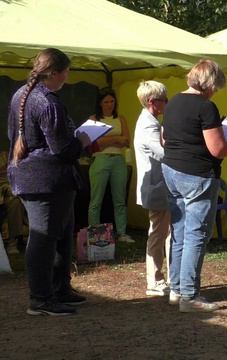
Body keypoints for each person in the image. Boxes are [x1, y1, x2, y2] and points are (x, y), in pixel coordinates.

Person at [7, 48, 92, 316]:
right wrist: (83, 141)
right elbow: (63, 149)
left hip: (37, 177)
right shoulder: (47, 102)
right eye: (66, 71)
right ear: (55, 72)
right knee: (43, 238)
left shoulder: (21, 95)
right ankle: (41, 298)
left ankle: (59, 288)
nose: (68, 76)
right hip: (46, 180)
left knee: (61, 234)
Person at [161, 59, 227, 312]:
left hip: (171, 170)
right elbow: (218, 149)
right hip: (198, 175)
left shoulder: (174, 101)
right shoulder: (206, 107)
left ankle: (176, 289)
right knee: (196, 235)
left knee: (178, 231)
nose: (215, 91)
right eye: (216, 87)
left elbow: (165, 138)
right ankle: (190, 296)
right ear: (210, 83)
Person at [133, 81, 171, 297]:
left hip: (159, 185)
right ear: (152, 102)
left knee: (165, 232)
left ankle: (168, 278)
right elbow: (162, 153)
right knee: (158, 232)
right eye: (163, 99)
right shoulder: (148, 125)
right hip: (156, 186)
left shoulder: (152, 121)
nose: (166, 103)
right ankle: (155, 281)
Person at [87, 87, 134, 243]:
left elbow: (126, 141)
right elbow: (92, 145)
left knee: (120, 198)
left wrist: (106, 140)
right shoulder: (94, 118)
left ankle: (121, 232)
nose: (109, 104)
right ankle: (94, 232)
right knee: (96, 199)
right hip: (100, 159)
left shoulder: (120, 119)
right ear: (100, 103)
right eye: (106, 101)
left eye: (112, 101)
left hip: (118, 160)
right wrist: (115, 139)